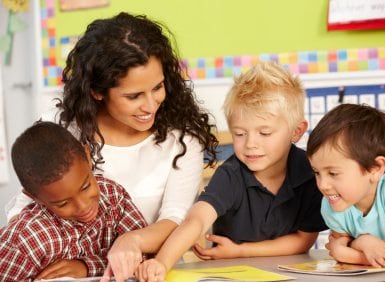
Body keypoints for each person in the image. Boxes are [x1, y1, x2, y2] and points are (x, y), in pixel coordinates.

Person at [5, 12, 218, 280]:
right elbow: (23, 216)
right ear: (97, 91)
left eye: (158, 87)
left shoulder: (183, 141)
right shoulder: (61, 130)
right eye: (133, 96)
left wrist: (132, 240)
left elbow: (176, 221)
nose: (151, 106)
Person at [136, 61, 328, 282]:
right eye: (239, 133)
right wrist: (161, 262)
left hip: (291, 274)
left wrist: (242, 250)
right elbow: (196, 220)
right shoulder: (231, 175)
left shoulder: (310, 172)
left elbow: (303, 240)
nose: (250, 144)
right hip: (234, 274)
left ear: (296, 131)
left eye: (264, 133)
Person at [0, 121, 148, 281]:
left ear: (88, 157)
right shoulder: (27, 240)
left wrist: (87, 266)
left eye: (85, 187)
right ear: (35, 198)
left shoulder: (113, 196)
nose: (83, 206)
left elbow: (144, 258)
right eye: (63, 203)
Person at [306, 103, 385, 271]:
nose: (323, 185)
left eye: (333, 173)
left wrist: (356, 247)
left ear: (375, 168)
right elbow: (342, 248)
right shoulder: (332, 204)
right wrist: (362, 243)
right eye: (317, 172)